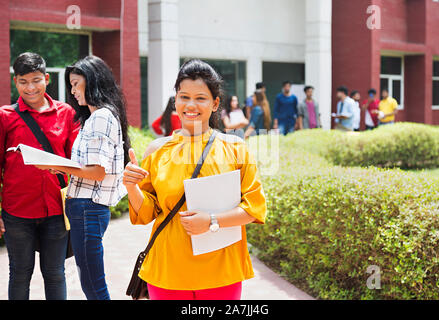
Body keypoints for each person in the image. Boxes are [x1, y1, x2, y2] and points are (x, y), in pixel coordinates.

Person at [123, 59, 266, 300]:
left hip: (221, 268)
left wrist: (211, 220)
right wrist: (131, 187)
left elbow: (254, 209)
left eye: (200, 98)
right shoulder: (156, 150)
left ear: (215, 103)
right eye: (183, 96)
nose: (190, 105)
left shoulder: (235, 148)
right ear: (175, 100)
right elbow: (147, 213)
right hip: (167, 267)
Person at [33, 56, 131, 300]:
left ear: (93, 82)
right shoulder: (97, 116)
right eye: (71, 86)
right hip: (87, 208)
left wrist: (61, 166)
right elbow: (92, 167)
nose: (73, 91)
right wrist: (64, 167)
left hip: (88, 208)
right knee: (91, 282)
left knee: (93, 285)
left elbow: (98, 172)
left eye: (76, 84)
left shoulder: (100, 117)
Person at [0, 52, 79, 300]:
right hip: (16, 212)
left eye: (36, 80)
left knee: (55, 274)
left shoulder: (66, 113)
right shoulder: (5, 117)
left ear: (46, 79)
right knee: (20, 274)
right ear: (16, 82)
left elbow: (77, 163)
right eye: (23, 81)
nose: (30, 87)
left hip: (56, 211)